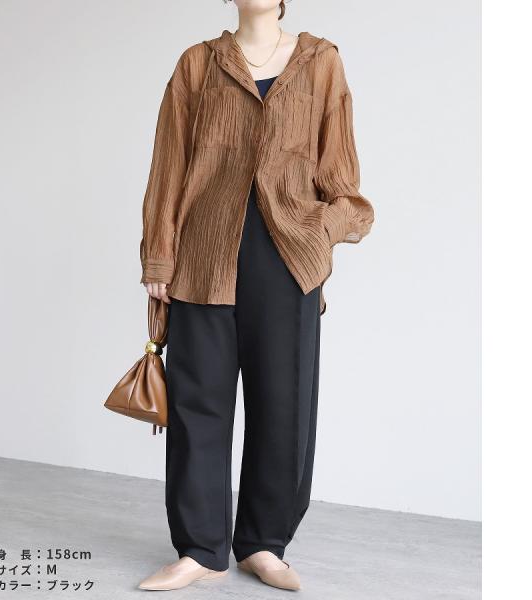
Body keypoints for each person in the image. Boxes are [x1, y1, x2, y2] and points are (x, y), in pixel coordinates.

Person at [137, 0, 374, 591]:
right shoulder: (198, 64)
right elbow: (169, 163)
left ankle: (265, 544)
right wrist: (159, 256)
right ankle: (200, 549)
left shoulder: (321, 62)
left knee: (283, 406)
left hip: (286, 259)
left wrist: (319, 234)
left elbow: (340, 171)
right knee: (197, 405)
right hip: (203, 255)